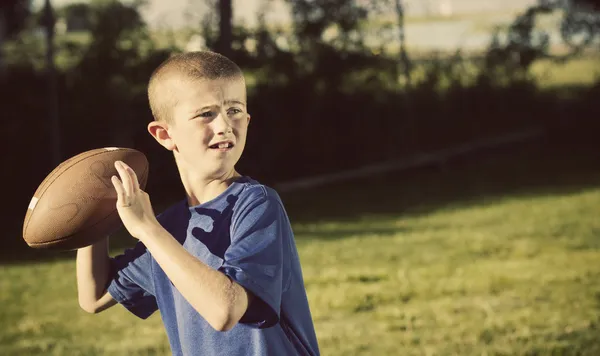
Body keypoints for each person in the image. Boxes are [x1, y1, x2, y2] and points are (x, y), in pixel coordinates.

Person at [75, 50, 320, 356]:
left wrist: (147, 229)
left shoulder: (256, 204)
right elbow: (94, 297)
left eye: (234, 110)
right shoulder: (170, 229)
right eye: (206, 114)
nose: (224, 126)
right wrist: (93, 218)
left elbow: (226, 311)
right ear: (165, 135)